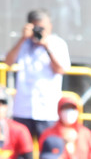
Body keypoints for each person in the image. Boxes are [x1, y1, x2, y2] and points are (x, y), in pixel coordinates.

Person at [3, 9, 70, 138]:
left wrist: (46, 47)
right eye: (37, 28)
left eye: (42, 28)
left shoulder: (57, 43)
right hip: (23, 108)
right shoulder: (24, 44)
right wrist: (22, 38)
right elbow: (8, 62)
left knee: (48, 151)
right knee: (23, 154)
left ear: (50, 26)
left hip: (47, 109)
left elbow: (61, 69)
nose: (40, 32)